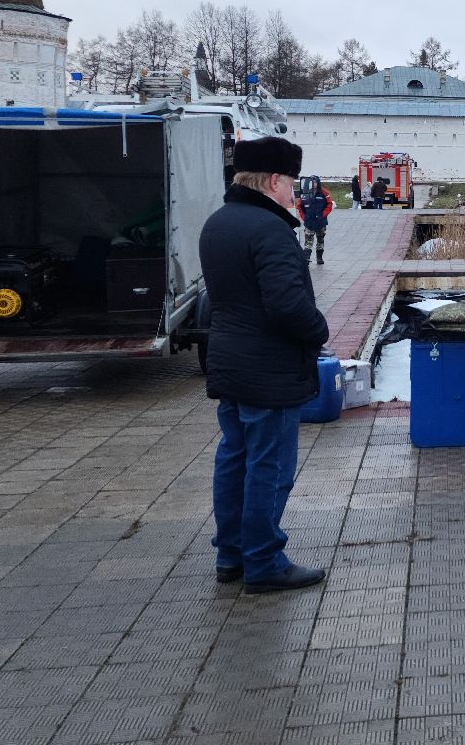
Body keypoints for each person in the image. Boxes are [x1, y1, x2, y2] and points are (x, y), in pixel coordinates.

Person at [200, 136, 331, 594]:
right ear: (274, 180)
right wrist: (319, 329)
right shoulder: (270, 230)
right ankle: (264, 561)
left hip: (230, 363)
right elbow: (286, 304)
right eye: (291, 183)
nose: (294, 192)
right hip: (269, 370)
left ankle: (231, 555)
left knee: (234, 460)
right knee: (269, 468)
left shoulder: (218, 222)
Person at [298, 180, 333, 265]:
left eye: (315, 182)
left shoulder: (324, 193)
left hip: (320, 222)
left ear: (318, 183)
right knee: (308, 241)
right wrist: (304, 217)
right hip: (309, 222)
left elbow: (329, 204)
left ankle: (319, 258)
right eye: (312, 182)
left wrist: (323, 215)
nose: (314, 184)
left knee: (320, 240)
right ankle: (306, 258)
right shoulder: (305, 193)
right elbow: (300, 206)